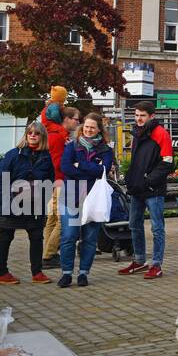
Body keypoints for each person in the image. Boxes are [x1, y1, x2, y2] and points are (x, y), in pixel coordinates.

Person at [58, 112, 116, 287]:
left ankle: (83, 273)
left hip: (93, 199)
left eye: (92, 127)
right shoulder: (71, 146)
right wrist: (91, 169)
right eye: (86, 126)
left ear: (99, 129)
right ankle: (66, 273)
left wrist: (80, 165)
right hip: (71, 197)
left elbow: (103, 170)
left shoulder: (106, 150)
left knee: (90, 239)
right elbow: (65, 167)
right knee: (68, 237)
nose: (88, 130)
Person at [0, 122, 56, 284]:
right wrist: (5, 199)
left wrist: (43, 197)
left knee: (36, 237)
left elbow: (50, 179)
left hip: (35, 204)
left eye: (36, 133)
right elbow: (0, 178)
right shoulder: (13, 154)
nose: (32, 135)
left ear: (42, 136)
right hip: (12, 201)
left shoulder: (46, 157)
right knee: (6, 236)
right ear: (26, 135)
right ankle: (2, 273)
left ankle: (37, 273)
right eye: (30, 132)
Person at [120, 100, 173, 279]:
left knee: (157, 228)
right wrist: (131, 178)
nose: (138, 119)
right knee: (134, 224)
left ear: (152, 116)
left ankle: (156, 265)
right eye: (136, 115)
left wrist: (149, 181)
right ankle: (139, 260)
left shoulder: (161, 134)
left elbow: (167, 162)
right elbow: (136, 161)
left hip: (153, 189)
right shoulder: (137, 133)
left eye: (142, 115)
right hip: (137, 188)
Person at [41, 101, 80, 267]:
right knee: (61, 221)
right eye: (76, 120)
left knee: (52, 218)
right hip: (60, 181)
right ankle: (49, 255)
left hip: (55, 181)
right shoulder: (58, 137)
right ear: (67, 119)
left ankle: (47, 253)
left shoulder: (55, 134)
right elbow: (57, 163)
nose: (78, 122)